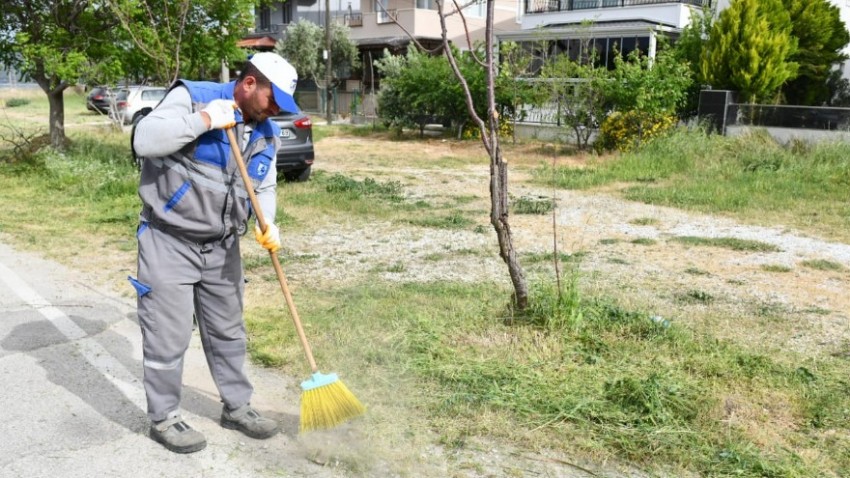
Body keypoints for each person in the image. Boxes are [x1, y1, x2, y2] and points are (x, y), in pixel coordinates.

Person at [128, 52, 299, 454]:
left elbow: (265, 186)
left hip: (222, 248)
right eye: (273, 101)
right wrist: (204, 121)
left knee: (229, 333)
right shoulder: (192, 98)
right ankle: (164, 416)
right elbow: (144, 140)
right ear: (250, 84)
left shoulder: (265, 132)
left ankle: (237, 408)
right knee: (167, 336)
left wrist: (268, 222)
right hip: (168, 239)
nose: (275, 111)